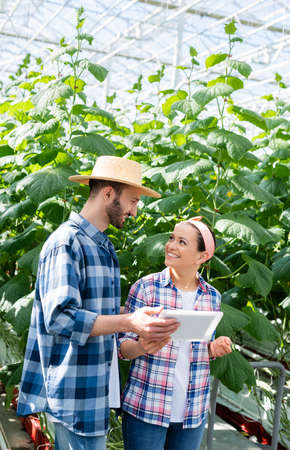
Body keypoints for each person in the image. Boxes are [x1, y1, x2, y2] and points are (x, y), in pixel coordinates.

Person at [17, 155, 179, 450]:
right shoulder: (67, 242)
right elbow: (62, 318)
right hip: (75, 393)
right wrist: (129, 321)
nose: (134, 211)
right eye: (132, 201)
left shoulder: (102, 245)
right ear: (108, 193)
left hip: (94, 389)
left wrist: (138, 315)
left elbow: (94, 312)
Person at [118, 216, 232, 450]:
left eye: (182, 242)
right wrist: (141, 347)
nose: (170, 245)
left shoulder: (212, 297)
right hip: (147, 406)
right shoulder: (146, 288)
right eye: (171, 238)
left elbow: (201, 347)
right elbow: (122, 348)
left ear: (202, 256)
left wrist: (214, 348)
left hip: (192, 410)